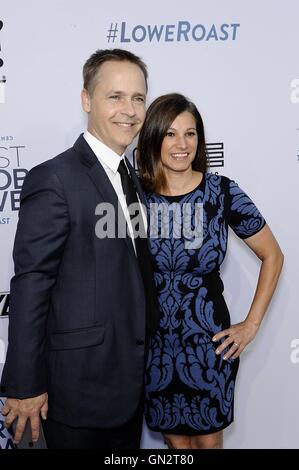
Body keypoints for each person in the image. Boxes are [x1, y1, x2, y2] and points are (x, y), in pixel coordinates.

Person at [0, 48, 159, 449]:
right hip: (76, 391)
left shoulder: (132, 180)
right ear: (87, 99)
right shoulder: (54, 178)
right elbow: (32, 283)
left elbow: (133, 271)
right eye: (115, 97)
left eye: (138, 98)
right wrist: (24, 385)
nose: (130, 110)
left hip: (129, 385)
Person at [137, 93, 284, 449]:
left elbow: (273, 256)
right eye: (171, 134)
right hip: (153, 346)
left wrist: (251, 325)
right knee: (176, 447)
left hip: (208, 345)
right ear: (154, 137)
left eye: (190, 134)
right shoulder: (136, 196)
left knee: (209, 444)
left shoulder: (222, 193)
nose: (181, 144)